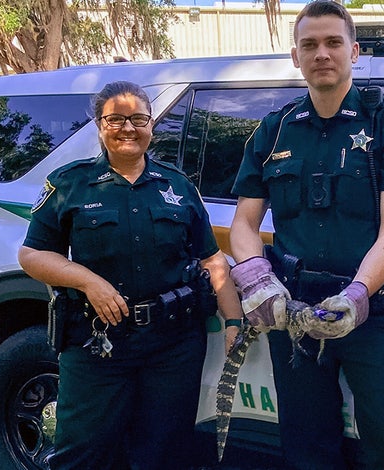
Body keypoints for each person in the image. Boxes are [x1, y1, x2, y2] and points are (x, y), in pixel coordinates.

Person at [228, 1, 384, 468]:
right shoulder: (274, 130)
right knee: (306, 446)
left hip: (372, 308)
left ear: (354, 51)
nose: (322, 53)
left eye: (333, 42)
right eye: (310, 44)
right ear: (295, 56)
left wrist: (357, 294)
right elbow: (243, 224)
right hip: (292, 310)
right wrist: (259, 279)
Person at [18, 80, 243, 469]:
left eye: (138, 118)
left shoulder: (178, 185)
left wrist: (235, 321)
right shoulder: (69, 183)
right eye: (116, 119)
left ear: (151, 125)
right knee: (82, 451)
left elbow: (212, 261)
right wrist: (88, 281)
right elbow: (32, 255)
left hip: (173, 345)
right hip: (96, 343)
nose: (128, 128)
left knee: (165, 450)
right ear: (99, 125)